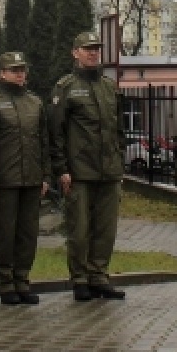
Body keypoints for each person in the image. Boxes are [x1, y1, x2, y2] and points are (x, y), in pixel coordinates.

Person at [48, 31, 125, 301]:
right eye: (87, 49)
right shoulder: (65, 86)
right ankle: (80, 278)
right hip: (80, 171)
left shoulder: (108, 86)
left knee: (106, 229)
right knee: (79, 230)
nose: (93, 53)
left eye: (96, 49)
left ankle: (99, 276)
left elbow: (118, 129)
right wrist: (62, 169)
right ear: (75, 53)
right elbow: (56, 132)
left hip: (109, 170)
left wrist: (120, 161)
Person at [0, 51, 50, 305]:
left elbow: (43, 140)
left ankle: (22, 280)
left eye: (22, 69)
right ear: (1, 73)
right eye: (14, 69)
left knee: (28, 233)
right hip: (5, 179)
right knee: (5, 234)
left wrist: (45, 174)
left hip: (32, 178)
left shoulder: (35, 103)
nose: (20, 73)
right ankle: (5, 282)